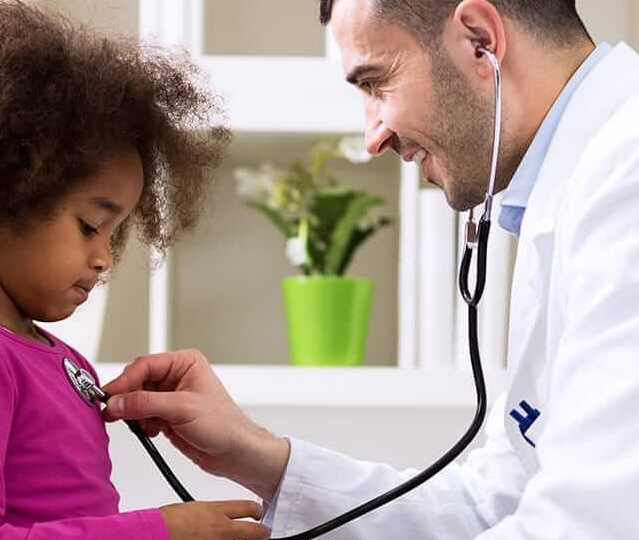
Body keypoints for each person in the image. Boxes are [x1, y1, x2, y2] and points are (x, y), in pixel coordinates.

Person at [101, 0, 639, 538]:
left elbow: (584, 526)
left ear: (481, 41)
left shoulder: (627, 172)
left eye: (377, 84)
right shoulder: (574, 188)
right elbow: (487, 505)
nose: (373, 137)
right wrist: (256, 454)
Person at [0, 2, 270, 539]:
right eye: (90, 226)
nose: (105, 259)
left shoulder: (57, 358)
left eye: (114, 234)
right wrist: (159, 532)